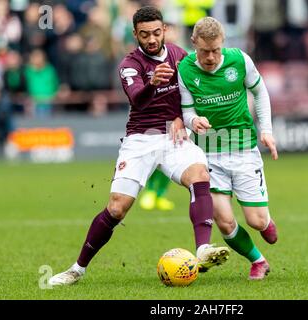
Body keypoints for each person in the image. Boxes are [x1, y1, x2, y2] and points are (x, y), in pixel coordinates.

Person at [48, 6, 229, 286]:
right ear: (135, 34)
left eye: (157, 32)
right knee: (117, 208)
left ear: (165, 30)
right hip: (140, 139)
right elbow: (137, 100)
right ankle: (77, 268)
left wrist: (184, 118)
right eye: (145, 35)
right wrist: (152, 83)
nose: (152, 39)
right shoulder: (129, 64)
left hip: (173, 135)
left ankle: (203, 248)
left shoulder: (180, 56)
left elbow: (192, 94)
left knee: (199, 176)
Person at [177, 17, 278, 280]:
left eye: (215, 50)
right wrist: (193, 121)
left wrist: (266, 130)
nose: (210, 57)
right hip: (208, 152)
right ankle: (258, 261)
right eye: (204, 51)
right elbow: (187, 111)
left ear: (223, 43)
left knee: (256, 221)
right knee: (224, 221)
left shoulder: (240, 60)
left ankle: (265, 222)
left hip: (243, 148)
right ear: (193, 44)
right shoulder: (185, 69)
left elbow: (260, 92)